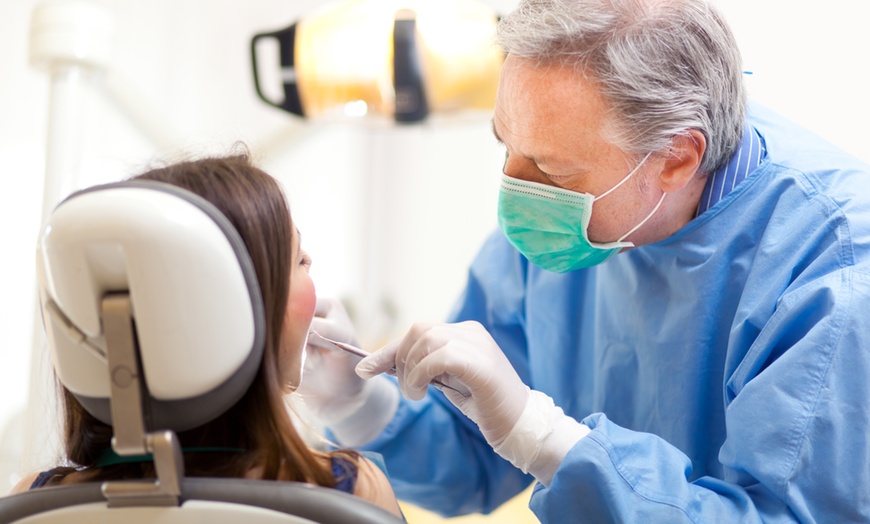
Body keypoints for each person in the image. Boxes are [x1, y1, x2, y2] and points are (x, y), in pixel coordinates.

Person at [298, 0, 870, 522]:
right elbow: (478, 458)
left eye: (551, 172)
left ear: (675, 157)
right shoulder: (562, 229)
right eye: (505, 145)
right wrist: (360, 405)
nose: (512, 192)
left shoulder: (831, 271)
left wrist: (544, 437)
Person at [10, 152, 404, 520]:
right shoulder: (349, 492)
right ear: (245, 309)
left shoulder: (32, 503)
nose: (311, 270)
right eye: (300, 259)